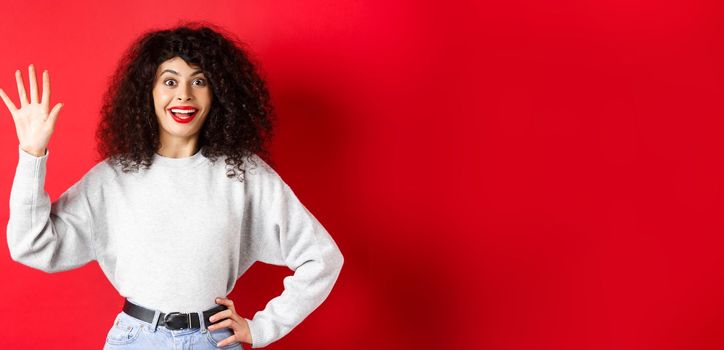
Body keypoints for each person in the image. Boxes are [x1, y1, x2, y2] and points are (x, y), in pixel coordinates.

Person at [2, 23, 344, 349]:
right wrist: (32, 154)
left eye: (199, 82)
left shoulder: (242, 174)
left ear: (217, 94)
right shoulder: (113, 177)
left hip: (215, 341)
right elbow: (31, 245)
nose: (183, 95)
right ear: (147, 92)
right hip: (136, 342)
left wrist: (262, 328)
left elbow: (322, 258)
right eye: (169, 81)